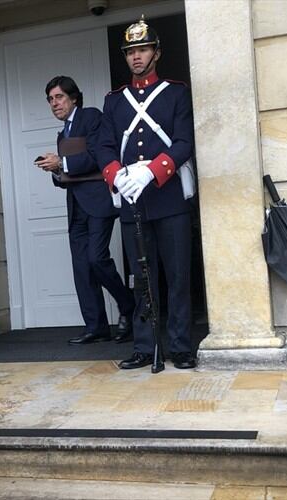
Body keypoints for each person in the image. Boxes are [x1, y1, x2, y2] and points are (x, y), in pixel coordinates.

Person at [97, 16, 197, 370]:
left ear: (156, 52)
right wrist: (117, 176)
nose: (136, 57)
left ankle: (181, 346)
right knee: (142, 278)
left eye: (142, 49)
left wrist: (152, 171)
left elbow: (185, 142)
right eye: (130, 52)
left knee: (177, 276)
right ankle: (144, 346)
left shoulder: (176, 92)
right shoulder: (115, 101)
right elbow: (104, 145)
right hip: (131, 200)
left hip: (167, 199)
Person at [35, 76, 135, 345]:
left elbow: (95, 155)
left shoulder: (91, 117)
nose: (54, 103)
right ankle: (96, 326)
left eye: (59, 97)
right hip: (76, 205)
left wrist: (62, 162)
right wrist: (56, 170)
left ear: (74, 98)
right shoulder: (62, 133)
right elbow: (68, 175)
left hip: (98, 201)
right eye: (50, 99)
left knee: (96, 259)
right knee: (82, 267)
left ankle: (129, 306)